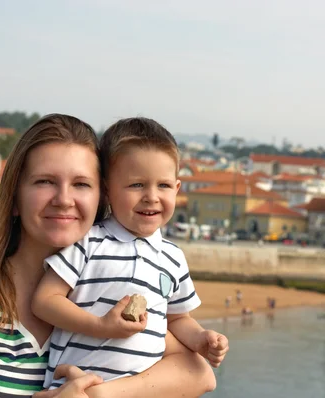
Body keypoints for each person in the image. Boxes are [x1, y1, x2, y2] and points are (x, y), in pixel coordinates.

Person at [0, 114, 216, 398]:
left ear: (101, 197)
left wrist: (100, 394)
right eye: (45, 182)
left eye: (81, 184)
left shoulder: (107, 291)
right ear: (14, 197)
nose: (64, 199)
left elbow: (199, 373)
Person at [32, 117, 229, 388]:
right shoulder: (89, 241)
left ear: (177, 188)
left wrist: (201, 340)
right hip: (73, 388)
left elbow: (178, 318)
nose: (151, 196)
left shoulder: (173, 257)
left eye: (163, 185)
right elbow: (45, 301)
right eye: (137, 185)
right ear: (107, 190)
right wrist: (100, 326)